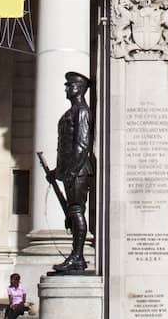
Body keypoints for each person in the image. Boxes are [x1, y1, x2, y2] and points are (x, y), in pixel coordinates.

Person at [47, 72, 95, 273]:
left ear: (80, 87)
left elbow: (82, 145)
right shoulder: (72, 112)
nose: (67, 88)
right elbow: (67, 147)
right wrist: (57, 171)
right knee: (73, 211)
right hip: (72, 170)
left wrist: (70, 172)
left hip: (79, 171)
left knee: (76, 210)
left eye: (70, 85)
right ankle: (77, 256)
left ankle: (77, 256)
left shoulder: (82, 111)